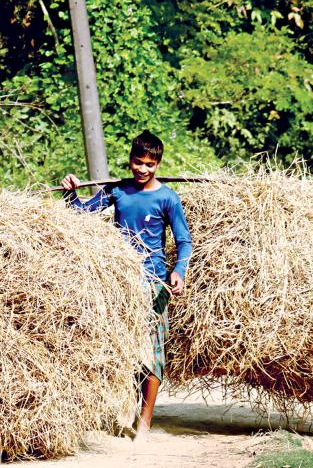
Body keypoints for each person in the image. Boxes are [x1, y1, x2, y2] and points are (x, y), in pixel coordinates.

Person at [60, 130, 192, 441]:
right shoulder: (116, 191)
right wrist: (70, 193)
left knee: (153, 353)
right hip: (121, 284)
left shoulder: (167, 198)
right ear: (130, 160)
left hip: (154, 283)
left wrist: (179, 271)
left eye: (150, 164)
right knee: (124, 352)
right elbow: (81, 213)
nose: (143, 169)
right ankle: (124, 411)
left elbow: (183, 241)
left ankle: (144, 424)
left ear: (157, 164)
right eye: (138, 162)